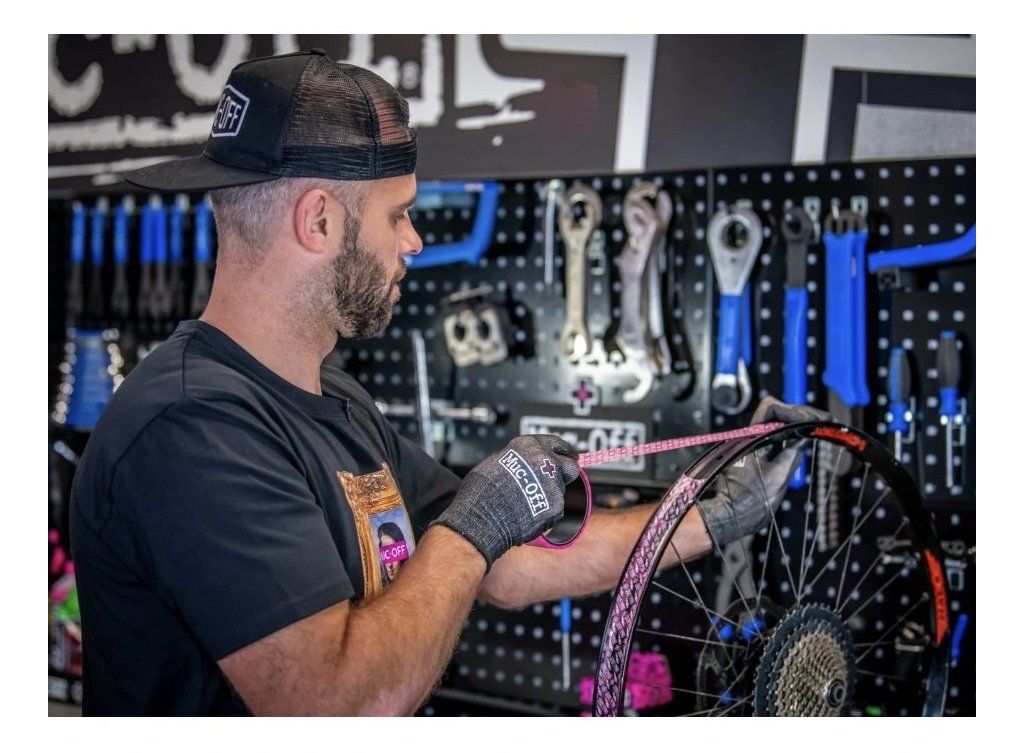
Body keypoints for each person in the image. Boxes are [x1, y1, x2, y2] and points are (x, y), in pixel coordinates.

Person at [69, 49, 828, 716]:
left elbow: (506, 562)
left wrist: (715, 513)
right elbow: (338, 708)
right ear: (319, 222)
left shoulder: (334, 402)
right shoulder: (192, 427)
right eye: (398, 214)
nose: (415, 240)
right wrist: (474, 527)